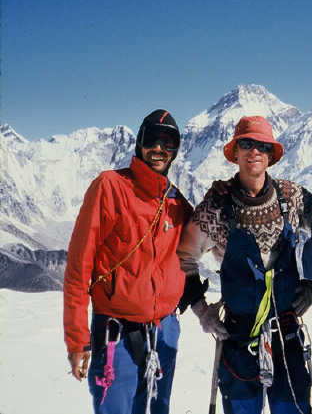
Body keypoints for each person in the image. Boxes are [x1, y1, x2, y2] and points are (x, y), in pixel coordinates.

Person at [176, 115, 312, 414]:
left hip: (286, 334)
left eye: (262, 146)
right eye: (246, 144)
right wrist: (201, 310)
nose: (254, 152)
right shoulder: (217, 207)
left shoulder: (292, 197)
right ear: (235, 152)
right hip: (238, 335)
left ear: (270, 155)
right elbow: (183, 257)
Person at [63, 109, 193, 414]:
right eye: (152, 138)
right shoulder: (109, 187)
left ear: (175, 149)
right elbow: (79, 266)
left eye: (168, 141)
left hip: (164, 330)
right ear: (139, 142)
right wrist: (77, 339)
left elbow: (195, 254)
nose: (159, 148)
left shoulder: (177, 202)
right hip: (116, 333)